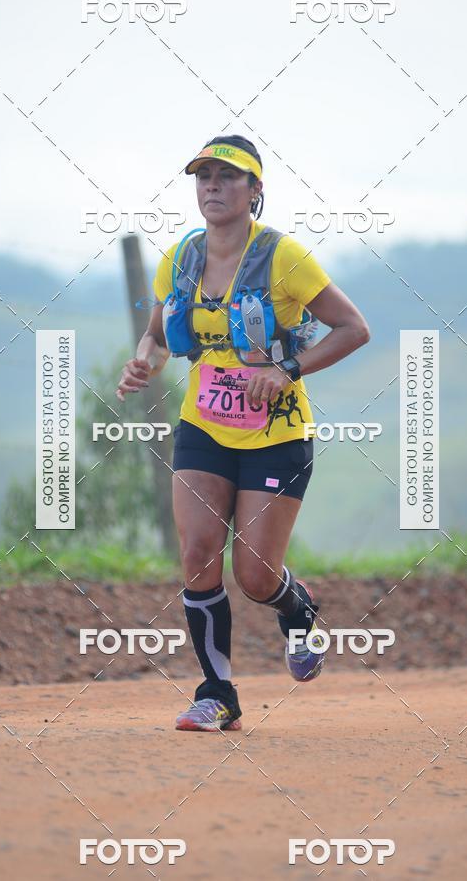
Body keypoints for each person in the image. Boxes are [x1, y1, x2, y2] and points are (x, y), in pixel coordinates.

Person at [116, 135, 370, 732]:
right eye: (203, 176)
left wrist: (285, 370)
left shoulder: (284, 257)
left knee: (254, 574)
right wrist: (144, 360)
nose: (212, 186)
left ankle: (297, 607)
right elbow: (155, 334)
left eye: (228, 177)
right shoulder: (179, 257)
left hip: (277, 433)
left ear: (255, 191)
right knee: (199, 553)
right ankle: (217, 693)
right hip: (204, 426)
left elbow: (353, 328)